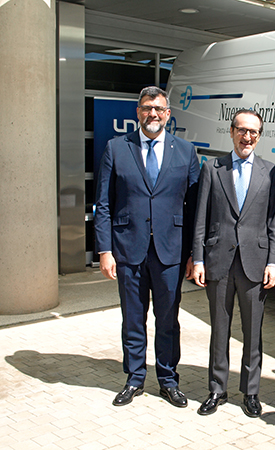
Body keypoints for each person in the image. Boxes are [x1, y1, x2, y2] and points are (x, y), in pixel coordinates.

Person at [95, 86, 200, 408]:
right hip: (128, 249)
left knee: (168, 320)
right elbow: (103, 203)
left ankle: (168, 380)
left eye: (158, 109)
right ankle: (135, 378)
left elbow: (197, 207)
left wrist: (196, 254)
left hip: (171, 251)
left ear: (168, 114)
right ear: (137, 112)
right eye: (146, 108)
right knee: (133, 318)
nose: (152, 114)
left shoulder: (186, 151)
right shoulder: (116, 148)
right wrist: (104, 250)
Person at [191, 109, 275, 418]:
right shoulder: (213, 168)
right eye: (242, 130)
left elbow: (274, 223)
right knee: (219, 329)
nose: (247, 137)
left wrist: (273, 261)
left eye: (253, 132)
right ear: (231, 132)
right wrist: (199, 258)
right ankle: (217, 388)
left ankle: (251, 391)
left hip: (255, 263)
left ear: (259, 136)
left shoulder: (270, 172)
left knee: (253, 331)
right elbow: (200, 219)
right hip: (218, 261)